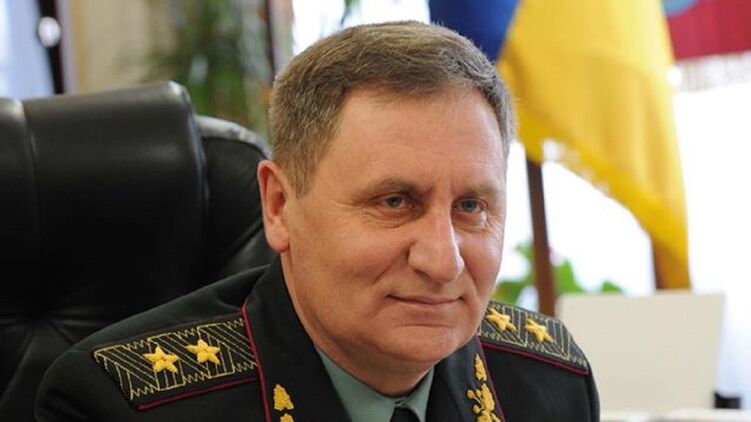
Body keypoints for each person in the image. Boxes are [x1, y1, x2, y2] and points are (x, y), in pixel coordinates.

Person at [35, 21, 598, 422]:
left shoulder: (549, 382)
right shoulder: (119, 403)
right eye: (394, 202)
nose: (442, 260)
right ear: (279, 207)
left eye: (471, 207)